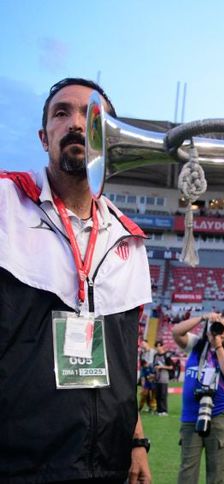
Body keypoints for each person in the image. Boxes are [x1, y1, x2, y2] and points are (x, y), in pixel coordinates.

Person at [0, 78, 152, 483]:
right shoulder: (5, 203)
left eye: (91, 115)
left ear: (113, 140)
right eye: (61, 113)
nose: (76, 123)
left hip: (108, 465)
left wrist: (137, 441)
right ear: (43, 136)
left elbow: (125, 359)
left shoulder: (130, 240)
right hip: (20, 466)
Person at [172, 312, 224, 484]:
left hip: (220, 414)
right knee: (187, 470)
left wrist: (218, 346)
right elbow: (176, 332)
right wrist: (203, 318)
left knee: (216, 471)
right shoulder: (197, 344)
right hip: (191, 415)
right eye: (216, 326)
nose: (220, 331)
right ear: (208, 328)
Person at [152, 339, 174, 416]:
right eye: (157, 346)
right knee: (157, 395)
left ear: (162, 346)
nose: (158, 348)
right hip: (157, 377)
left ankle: (164, 410)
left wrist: (161, 367)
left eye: (160, 346)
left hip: (164, 377)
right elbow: (154, 365)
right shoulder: (155, 356)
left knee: (163, 395)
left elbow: (171, 367)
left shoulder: (166, 355)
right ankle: (159, 410)